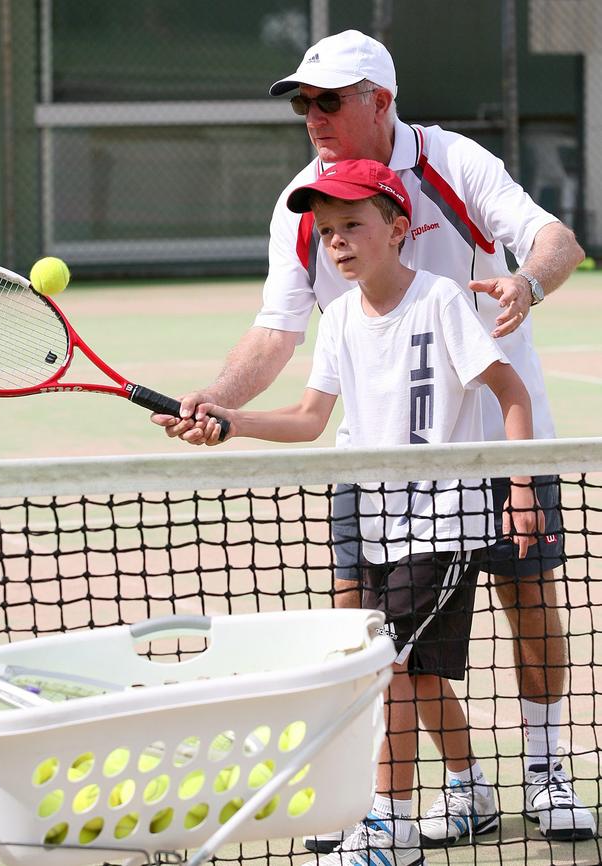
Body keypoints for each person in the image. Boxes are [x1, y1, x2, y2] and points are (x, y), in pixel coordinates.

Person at [153, 30, 594, 845]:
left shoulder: (454, 162)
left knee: (526, 597)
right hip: (378, 456)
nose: (311, 116)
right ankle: (457, 789)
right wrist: (218, 399)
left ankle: (545, 769)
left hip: (495, 439)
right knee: (370, 637)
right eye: (302, 103)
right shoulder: (307, 204)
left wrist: (525, 285)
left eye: (328, 100)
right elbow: (277, 333)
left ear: (379, 102)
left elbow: (554, 239)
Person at [183, 159, 543, 866]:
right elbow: (311, 418)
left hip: (442, 521)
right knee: (411, 672)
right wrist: (232, 419)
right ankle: (470, 787)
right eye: (326, 232)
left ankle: (391, 828)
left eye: (353, 225)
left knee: (394, 670)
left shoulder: (441, 300)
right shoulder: (340, 317)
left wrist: (522, 488)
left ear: (399, 229)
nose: (338, 242)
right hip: (368, 517)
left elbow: (513, 392)